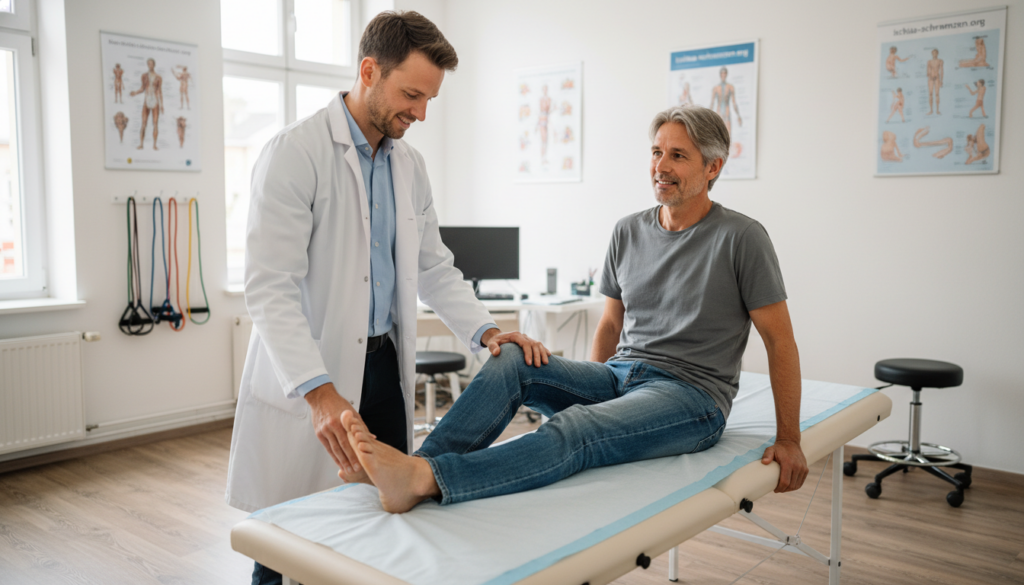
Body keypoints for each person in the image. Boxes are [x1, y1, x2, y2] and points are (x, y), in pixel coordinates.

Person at [341, 105, 809, 514]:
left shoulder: (742, 238)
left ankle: (429, 480)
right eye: (656, 152)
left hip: (691, 397)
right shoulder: (629, 231)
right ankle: (415, 469)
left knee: (577, 429)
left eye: (678, 156)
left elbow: (778, 340)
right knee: (513, 360)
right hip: (621, 377)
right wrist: (593, 392)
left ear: (713, 167)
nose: (660, 166)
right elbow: (610, 323)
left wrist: (789, 439)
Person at [225, 11, 550, 584]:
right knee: (286, 536)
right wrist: (320, 394)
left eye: (429, 99)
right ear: (369, 71)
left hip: (383, 371)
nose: (421, 112)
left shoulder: (410, 165)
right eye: (411, 94)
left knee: (379, 523)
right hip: (313, 372)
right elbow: (269, 287)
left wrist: (487, 332)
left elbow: (435, 267)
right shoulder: (295, 153)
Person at [129, 58, 163, 150]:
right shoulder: (144, 76)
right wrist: (135, 93)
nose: (149, 65)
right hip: (146, 101)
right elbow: (142, 88)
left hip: (155, 102)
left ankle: (154, 145)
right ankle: (141, 144)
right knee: (143, 123)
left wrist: (162, 105)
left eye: (151, 63)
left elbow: (160, 91)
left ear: (154, 65)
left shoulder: (158, 77)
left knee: (155, 123)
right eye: (148, 63)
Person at [926, 49, 943, 115]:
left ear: (937, 53)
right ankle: (931, 110)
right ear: (932, 54)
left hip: (937, 78)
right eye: (933, 53)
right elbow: (928, 71)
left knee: (937, 94)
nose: (934, 54)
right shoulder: (929, 61)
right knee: (930, 94)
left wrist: (942, 80)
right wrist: (930, 75)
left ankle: (937, 110)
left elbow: (942, 71)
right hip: (931, 78)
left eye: (935, 53)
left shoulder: (940, 61)